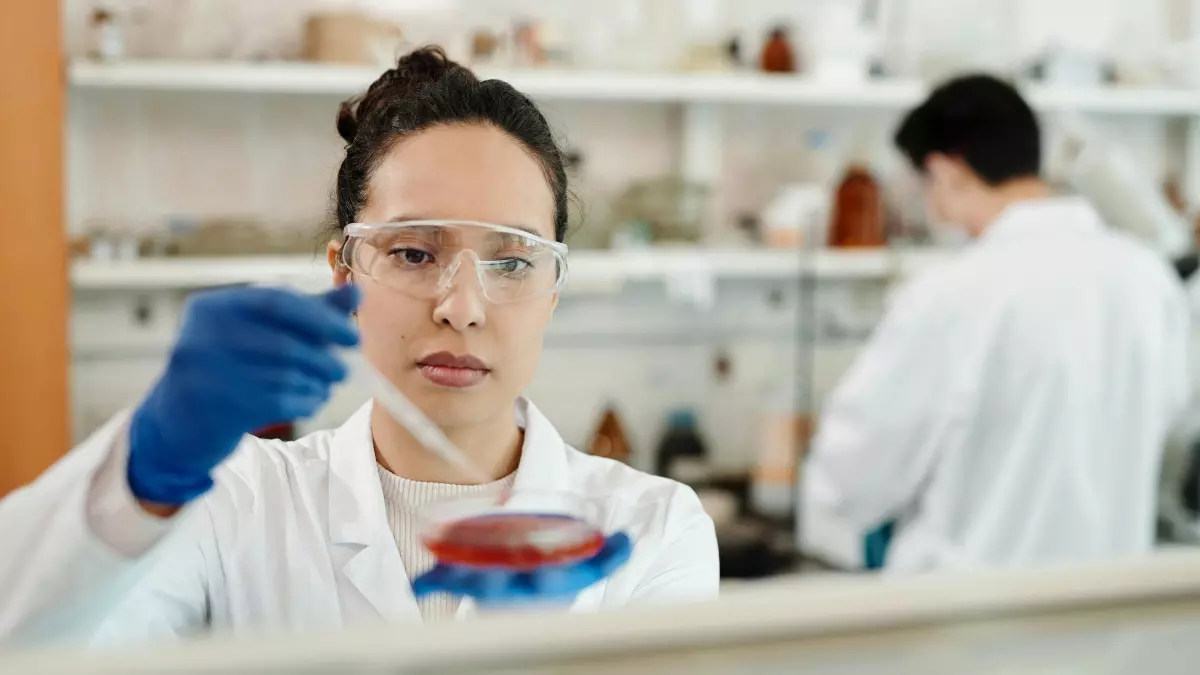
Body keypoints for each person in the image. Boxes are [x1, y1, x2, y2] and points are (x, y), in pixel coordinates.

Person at [0, 47, 718, 646]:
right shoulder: (236, 501)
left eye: (510, 261)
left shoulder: (653, 528)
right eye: (412, 252)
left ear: (552, 289)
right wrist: (144, 471)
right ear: (343, 271)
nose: (460, 307)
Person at [799, 74, 1190, 573]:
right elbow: (1172, 419)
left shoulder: (951, 295)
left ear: (946, 170)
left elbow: (851, 477)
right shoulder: (1146, 277)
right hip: (1105, 616)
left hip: (969, 624)